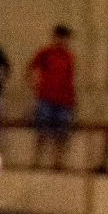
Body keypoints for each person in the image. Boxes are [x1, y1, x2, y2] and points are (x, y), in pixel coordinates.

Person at [26, 23, 76, 168]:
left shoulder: (68, 56)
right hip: (46, 97)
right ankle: (36, 160)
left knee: (62, 132)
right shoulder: (46, 53)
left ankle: (58, 161)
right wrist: (35, 86)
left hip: (64, 99)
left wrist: (72, 98)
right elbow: (31, 68)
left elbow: (70, 78)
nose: (62, 41)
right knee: (42, 130)